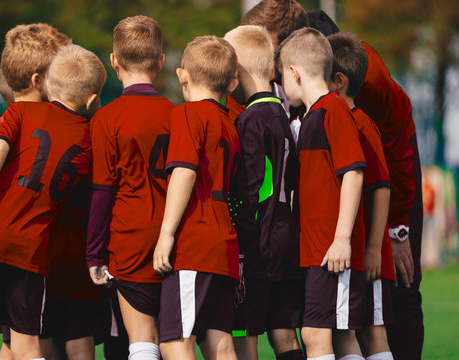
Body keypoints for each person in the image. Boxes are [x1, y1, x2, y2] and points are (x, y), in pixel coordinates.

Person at [243, 3, 424, 357]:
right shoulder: (313, 101)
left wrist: (395, 229)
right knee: (340, 332)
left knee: (394, 297)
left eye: (270, 54)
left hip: (358, 218)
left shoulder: (349, 95)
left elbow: (382, 156)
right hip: (323, 238)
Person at [0, 43, 106, 360]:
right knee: (27, 347)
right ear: (92, 100)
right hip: (32, 251)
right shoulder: (90, 137)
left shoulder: (22, 110)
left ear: (48, 84)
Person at [86, 15, 174, 360]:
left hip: (129, 238)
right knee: (175, 341)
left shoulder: (106, 118)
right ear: (161, 61)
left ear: (113, 62)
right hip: (175, 237)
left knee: (141, 339)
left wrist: (94, 252)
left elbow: (102, 191)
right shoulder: (177, 113)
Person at [279, 27, 367, 360]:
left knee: (315, 334)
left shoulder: (333, 111)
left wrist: (342, 238)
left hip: (332, 253)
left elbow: (354, 172)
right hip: (319, 251)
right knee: (341, 337)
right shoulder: (313, 116)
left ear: (293, 73)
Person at [153, 35, 240, 360]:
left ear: (182, 75)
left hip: (194, 246)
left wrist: (166, 233)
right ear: (232, 82)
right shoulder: (230, 123)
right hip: (224, 246)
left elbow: (185, 172)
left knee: (175, 342)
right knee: (219, 344)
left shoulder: (188, 114)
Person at [223, 25, 304, 360]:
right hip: (286, 240)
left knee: (245, 337)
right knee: (284, 333)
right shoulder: (282, 116)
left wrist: (240, 252)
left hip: (259, 245)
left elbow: (254, 190)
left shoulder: (250, 120)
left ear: (234, 70)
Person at [327, 31, 395, 360]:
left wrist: (373, 249)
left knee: (373, 331)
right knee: (349, 329)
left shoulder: (363, 125)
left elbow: (381, 188)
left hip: (369, 252)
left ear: (337, 81)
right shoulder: (336, 122)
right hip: (353, 252)